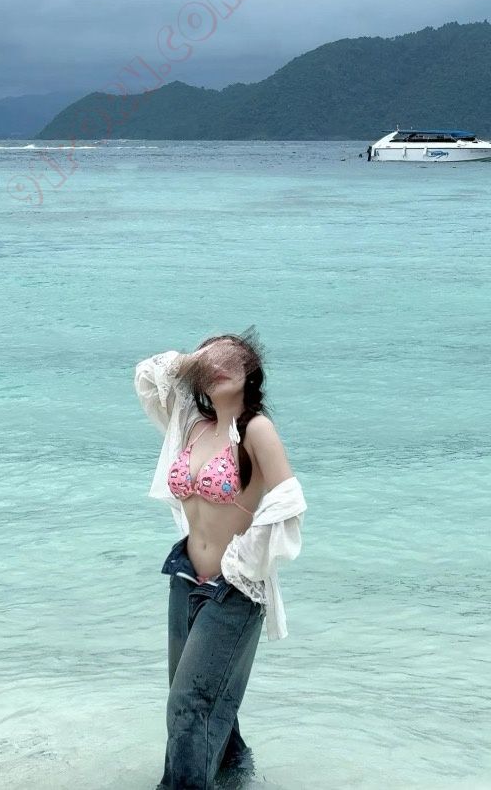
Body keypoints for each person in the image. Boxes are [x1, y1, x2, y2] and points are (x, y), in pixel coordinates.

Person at [134, 328, 307, 789]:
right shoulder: (193, 425)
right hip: (185, 577)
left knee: (189, 704)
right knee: (204, 698)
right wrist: (196, 362)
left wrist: (245, 559)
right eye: (207, 361)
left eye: (230, 359)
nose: (216, 365)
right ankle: (236, 774)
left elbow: (288, 500)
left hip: (233, 589)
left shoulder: (256, 429)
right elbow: (150, 376)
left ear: (251, 372)